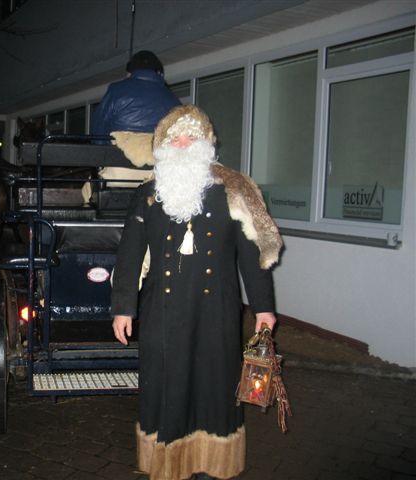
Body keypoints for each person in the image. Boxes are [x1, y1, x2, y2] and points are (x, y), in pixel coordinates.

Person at [111, 104, 283, 480]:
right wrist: (123, 307)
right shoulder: (148, 194)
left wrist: (263, 308)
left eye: (191, 136)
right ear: (163, 145)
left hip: (215, 311)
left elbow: (251, 255)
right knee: (165, 383)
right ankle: (168, 462)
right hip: (162, 311)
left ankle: (210, 465)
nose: (184, 143)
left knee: (213, 384)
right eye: (175, 137)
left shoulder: (233, 190)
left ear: (206, 142)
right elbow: (130, 254)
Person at [91, 50, 181, 136]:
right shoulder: (173, 99)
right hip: (157, 152)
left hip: (120, 151)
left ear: (130, 72)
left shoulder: (116, 90)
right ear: (159, 73)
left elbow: (98, 128)